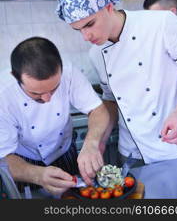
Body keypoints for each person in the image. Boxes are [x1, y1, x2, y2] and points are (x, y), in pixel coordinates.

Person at [56, 0, 177, 181]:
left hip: (175, 146)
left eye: (89, 24)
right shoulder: (96, 54)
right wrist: (95, 141)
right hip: (131, 154)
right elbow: (111, 101)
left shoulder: (161, 24)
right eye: (78, 29)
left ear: (108, 7)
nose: (86, 36)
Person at [0, 37, 110, 195]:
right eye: (36, 93)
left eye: (54, 89)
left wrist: (91, 143)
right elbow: (3, 157)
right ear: (15, 76)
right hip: (22, 162)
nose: (47, 99)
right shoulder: (3, 95)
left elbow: (97, 110)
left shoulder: (69, 72)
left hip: (63, 152)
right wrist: (37, 175)